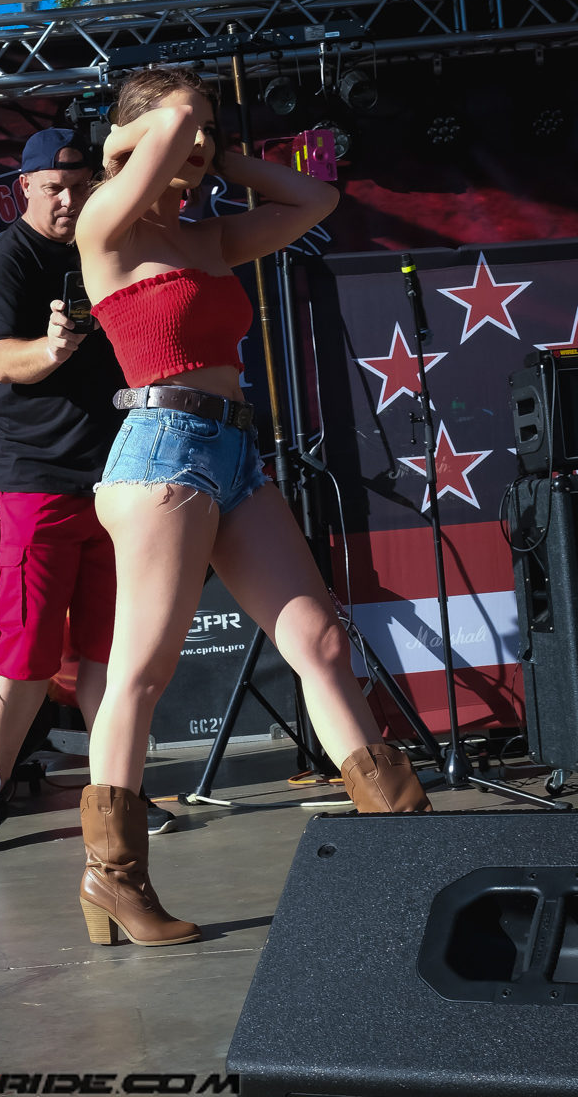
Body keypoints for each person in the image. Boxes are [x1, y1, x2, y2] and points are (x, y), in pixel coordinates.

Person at [74, 67, 431, 947]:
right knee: (142, 672)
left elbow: (316, 198)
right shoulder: (106, 222)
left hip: (234, 452)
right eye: (184, 134)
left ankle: (407, 844)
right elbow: (172, 120)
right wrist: (145, 137)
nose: (196, 147)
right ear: (136, 138)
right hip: (161, 449)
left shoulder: (209, 237)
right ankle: (112, 878)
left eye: (209, 136)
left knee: (322, 643)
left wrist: (221, 156)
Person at [0, 126, 176, 855]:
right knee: (28, 647)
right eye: (54, 189)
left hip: (118, 477)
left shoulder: (106, 247)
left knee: (113, 648)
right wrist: (50, 347)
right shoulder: (8, 261)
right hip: (38, 480)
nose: (69, 201)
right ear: (25, 188)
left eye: (80, 187)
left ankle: (118, 792)